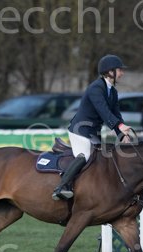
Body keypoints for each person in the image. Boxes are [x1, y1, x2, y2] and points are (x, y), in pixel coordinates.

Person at [52, 54, 132, 201]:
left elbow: (116, 114)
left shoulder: (113, 91)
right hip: (80, 131)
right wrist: (120, 126)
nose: (122, 73)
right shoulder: (96, 88)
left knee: (102, 158)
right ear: (110, 72)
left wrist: (122, 135)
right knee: (85, 155)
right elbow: (103, 111)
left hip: (93, 133)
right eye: (119, 70)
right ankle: (62, 187)